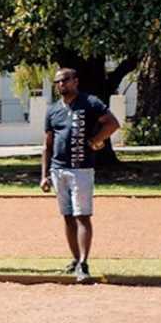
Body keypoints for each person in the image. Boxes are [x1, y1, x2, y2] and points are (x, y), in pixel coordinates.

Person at [40, 67, 120, 283]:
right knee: (67, 217)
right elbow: (47, 143)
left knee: (81, 216)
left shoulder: (90, 103)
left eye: (64, 80)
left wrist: (95, 140)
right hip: (58, 169)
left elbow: (113, 123)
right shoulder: (53, 110)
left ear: (75, 81)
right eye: (57, 82)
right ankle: (75, 260)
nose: (60, 85)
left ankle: (84, 264)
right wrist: (44, 174)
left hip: (81, 169)